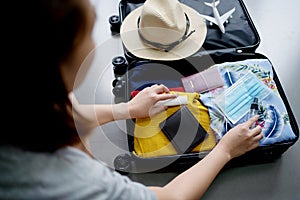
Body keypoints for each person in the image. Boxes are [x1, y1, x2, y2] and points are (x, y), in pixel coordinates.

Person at [0, 0, 263, 199]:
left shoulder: (28, 93)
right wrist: (225, 150)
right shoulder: (73, 182)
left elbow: (70, 112)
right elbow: (168, 197)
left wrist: (127, 109)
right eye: (91, 26)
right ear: (56, 61)